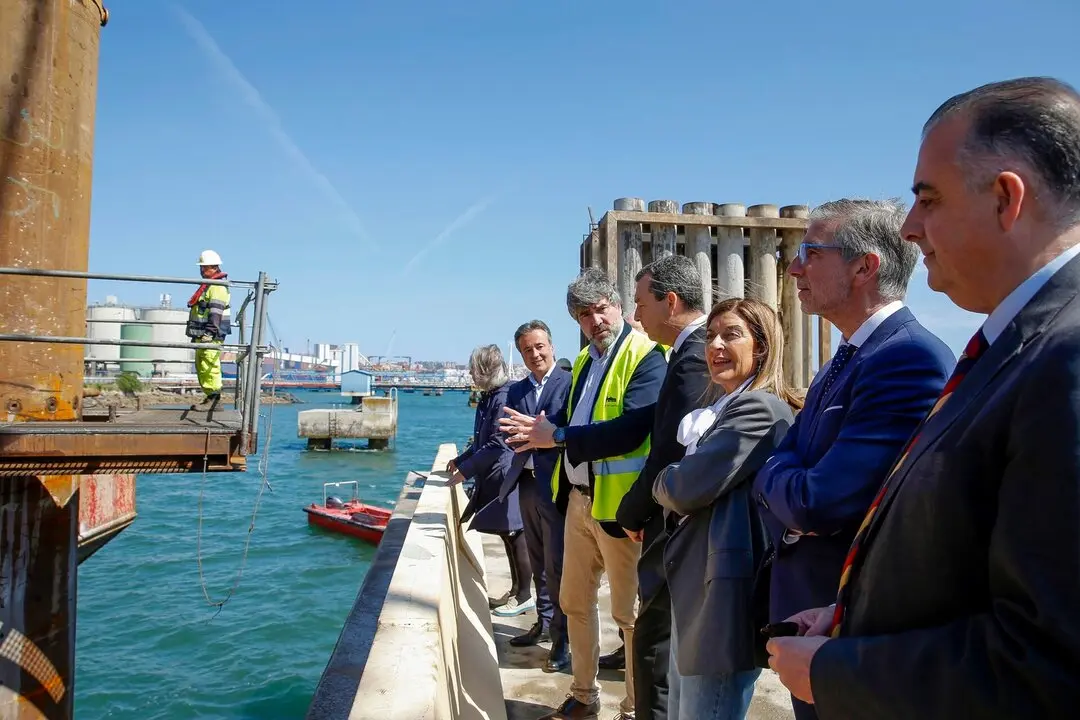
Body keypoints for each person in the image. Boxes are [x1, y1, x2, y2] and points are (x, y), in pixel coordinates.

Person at [767, 76, 1080, 719]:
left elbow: (1049, 662)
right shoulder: (1017, 344)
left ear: (1005, 198)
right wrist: (854, 614)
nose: (908, 228)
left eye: (928, 200)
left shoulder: (1066, 360)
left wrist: (843, 670)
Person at [750, 198, 954, 719]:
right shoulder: (848, 355)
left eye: (811, 252)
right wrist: (782, 472)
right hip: (812, 619)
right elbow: (789, 458)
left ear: (865, 266)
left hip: (850, 631)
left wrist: (773, 475)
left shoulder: (905, 357)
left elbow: (821, 502)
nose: (794, 266)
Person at [501, 267, 666, 720]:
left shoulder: (648, 357)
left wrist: (554, 437)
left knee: (629, 617)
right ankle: (583, 696)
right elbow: (576, 424)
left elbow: (631, 431)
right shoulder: (586, 364)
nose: (596, 320)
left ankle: (634, 709)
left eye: (601, 308)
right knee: (575, 603)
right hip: (578, 501)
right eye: (584, 313)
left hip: (620, 510)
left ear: (619, 306)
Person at [654, 297, 801, 719]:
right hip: (698, 590)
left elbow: (682, 488)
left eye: (731, 334)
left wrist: (666, 478)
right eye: (710, 335)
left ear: (762, 347)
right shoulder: (729, 407)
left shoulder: (759, 407)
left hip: (722, 601)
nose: (715, 344)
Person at [616, 256, 711, 720]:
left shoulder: (694, 358)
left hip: (674, 525)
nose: (636, 317)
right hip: (673, 520)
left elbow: (671, 452)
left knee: (654, 645)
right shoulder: (691, 354)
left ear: (670, 302)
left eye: (640, 304)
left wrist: (632, 512)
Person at [500, 320, 573, 671]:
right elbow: (508, 433)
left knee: (559, 566)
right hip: (526, 483)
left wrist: (539, 432)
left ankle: (563, 638)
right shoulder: (515, 391)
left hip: (557, 485)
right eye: (527, 349)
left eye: (540, 346)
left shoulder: (568, 383)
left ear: (552, 347)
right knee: (538, 561)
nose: (535, 354)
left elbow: (567, 429)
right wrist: (528, 434)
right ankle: (543, 624)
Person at [448, 344, 533, 616]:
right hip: (496, 474)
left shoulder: (503, 396)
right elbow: (482, 440)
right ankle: (516, 590)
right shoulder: (491, 396)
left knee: (515, 533)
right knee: (507, 535)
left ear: (487, 371)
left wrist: (466, 469)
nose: (472, 375)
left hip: (506, 474)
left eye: (475, 370)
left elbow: (497, 443)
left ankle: (523, 595)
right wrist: (462, 460)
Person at [186, 250, 231, 411]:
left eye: (203, 268)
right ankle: (211, 397)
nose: (201, 271)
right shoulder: (209, 286)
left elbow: (216, 311)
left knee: (209, 365)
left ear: (212, 267)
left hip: (210, 334)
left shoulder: (217, 286)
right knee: (202, 365)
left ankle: (215, 399)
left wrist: (210, 332)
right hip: (203, 333)